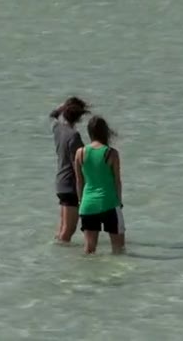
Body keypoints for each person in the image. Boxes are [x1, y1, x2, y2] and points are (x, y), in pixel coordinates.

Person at [74, 115, 125, 254]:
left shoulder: (80, 152)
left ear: (89, 132)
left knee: (89, 250)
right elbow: (117, 181)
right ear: (105, 132)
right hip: (109, 203)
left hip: (88, 204)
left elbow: (79, 181)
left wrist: (80, 201)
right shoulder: (111, 153)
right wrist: (119, 202)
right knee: (118, 249)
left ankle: (87, 275)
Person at [50, 97, 90, 243]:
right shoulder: (74, 136)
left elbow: (52, 115)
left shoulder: (57, 128)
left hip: (60, 183)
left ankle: (57, 253)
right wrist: (84, 190)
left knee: (62, 228)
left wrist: (62, 106)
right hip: (71, 185)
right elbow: (78, 165)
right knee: (68, 230)